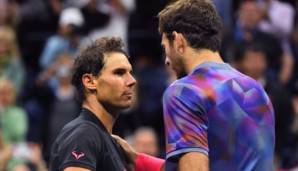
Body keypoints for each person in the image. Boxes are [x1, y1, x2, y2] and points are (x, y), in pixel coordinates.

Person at [117, 0, 275, 171]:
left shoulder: (185, 91)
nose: (167, 61)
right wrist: (140, 161)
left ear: (178, 41)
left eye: (165, 48)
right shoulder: (256, 89)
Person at [49, 37, 137, 171]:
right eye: (119, 73)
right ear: (90, 82)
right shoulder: (84, 135)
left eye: (130, 72)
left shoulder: (106, 140)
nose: (132, 81)